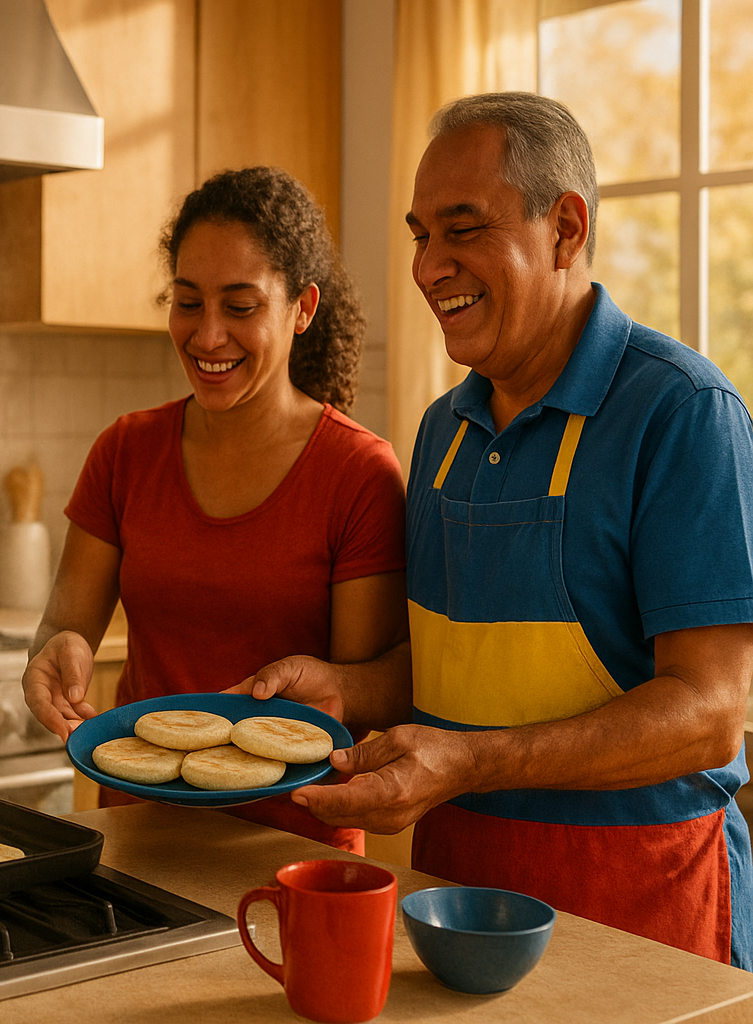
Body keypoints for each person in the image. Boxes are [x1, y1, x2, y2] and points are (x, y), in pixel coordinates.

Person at [253, 92, 753, 967]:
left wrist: (471, 764)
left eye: (463, 228)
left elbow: (711, 714)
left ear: (565, 228)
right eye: (421, 235)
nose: (429, 267)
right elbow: (461, 665)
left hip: (642, 916)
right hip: (456, 911)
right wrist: (345, 691)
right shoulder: (444, 431)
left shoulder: (681, 413)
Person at [20, 167, 408, 853]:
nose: (207, 336)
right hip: (136, 835)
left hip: (292, 848)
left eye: (240, 306)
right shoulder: (125, 450)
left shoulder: (358, 474)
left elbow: (373, 690)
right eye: (188, 302)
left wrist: (336, 688)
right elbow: (64, 625)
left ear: (303, 308)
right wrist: (57, 652)